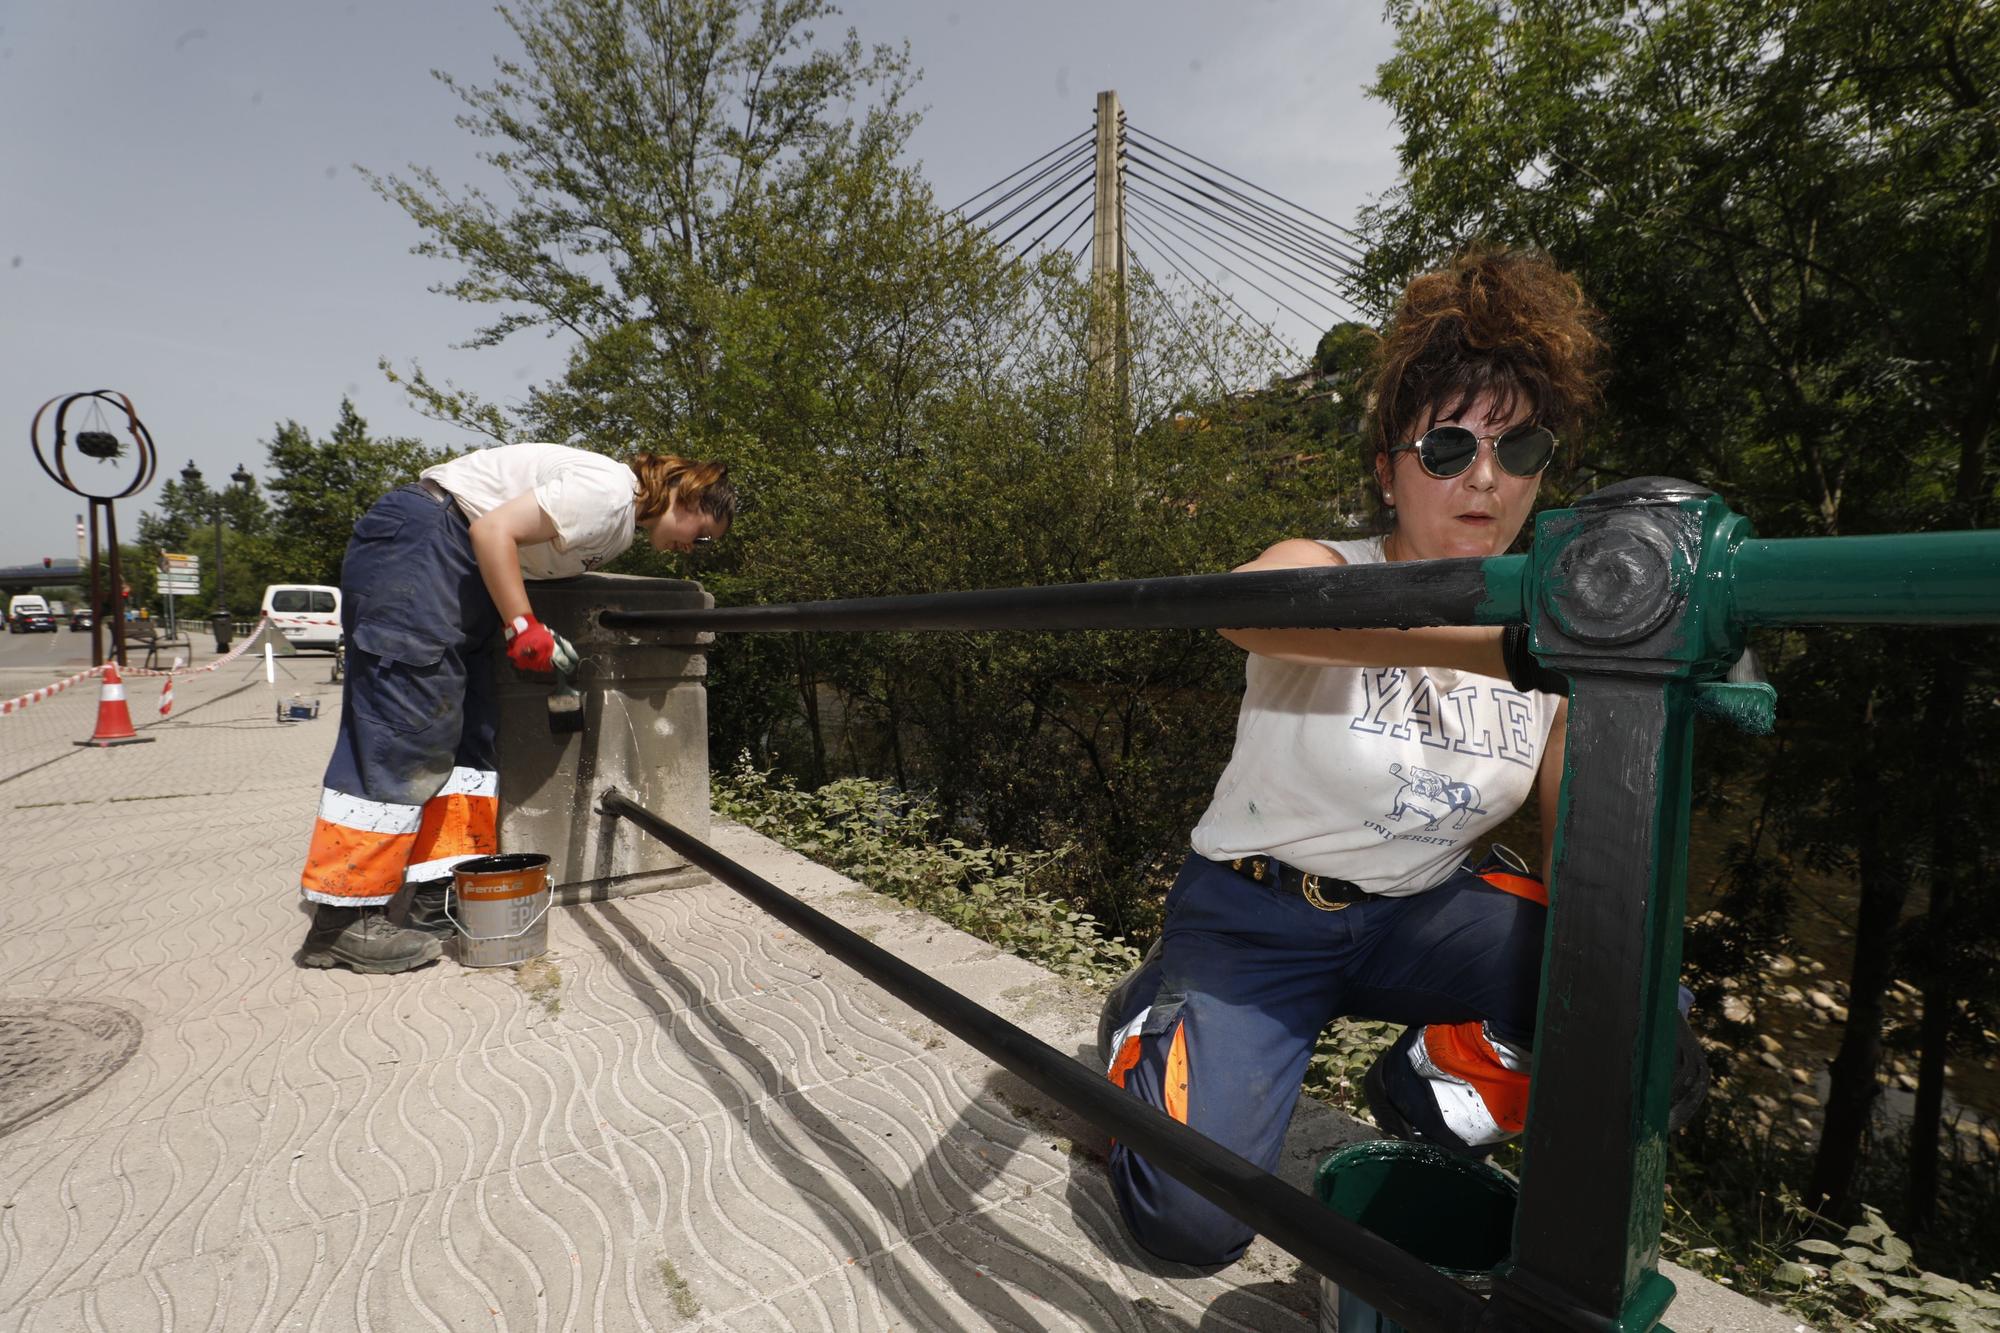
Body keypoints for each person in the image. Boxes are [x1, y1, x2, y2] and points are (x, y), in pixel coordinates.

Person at [1098, 247, 1601, 1266]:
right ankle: (1148, 1016)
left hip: (1417, 914)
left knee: (1637, 1000)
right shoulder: (1329, 565)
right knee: (1184, 1232)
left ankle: (1436, 1070)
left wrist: (1557, 1010)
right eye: (1447, 448)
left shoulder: (1563, 628)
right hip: (1252, 915)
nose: (1485, 479)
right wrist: (1510, 643)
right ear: (1386, 471)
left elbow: (1582, 846)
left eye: (1519, 447)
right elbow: (1243, 604)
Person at [294, 443, 737, 974]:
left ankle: (439, 895)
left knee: (467, 741)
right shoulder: (608, 493)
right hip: (428, 546)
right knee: (400, 732)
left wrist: (532, 626)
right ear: (688, 495)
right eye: (704, 535)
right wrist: (522, 625)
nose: (696, 548)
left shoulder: (614, 521)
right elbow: (491, 531)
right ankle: (343, 919)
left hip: (453, 568)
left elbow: (513, 552)